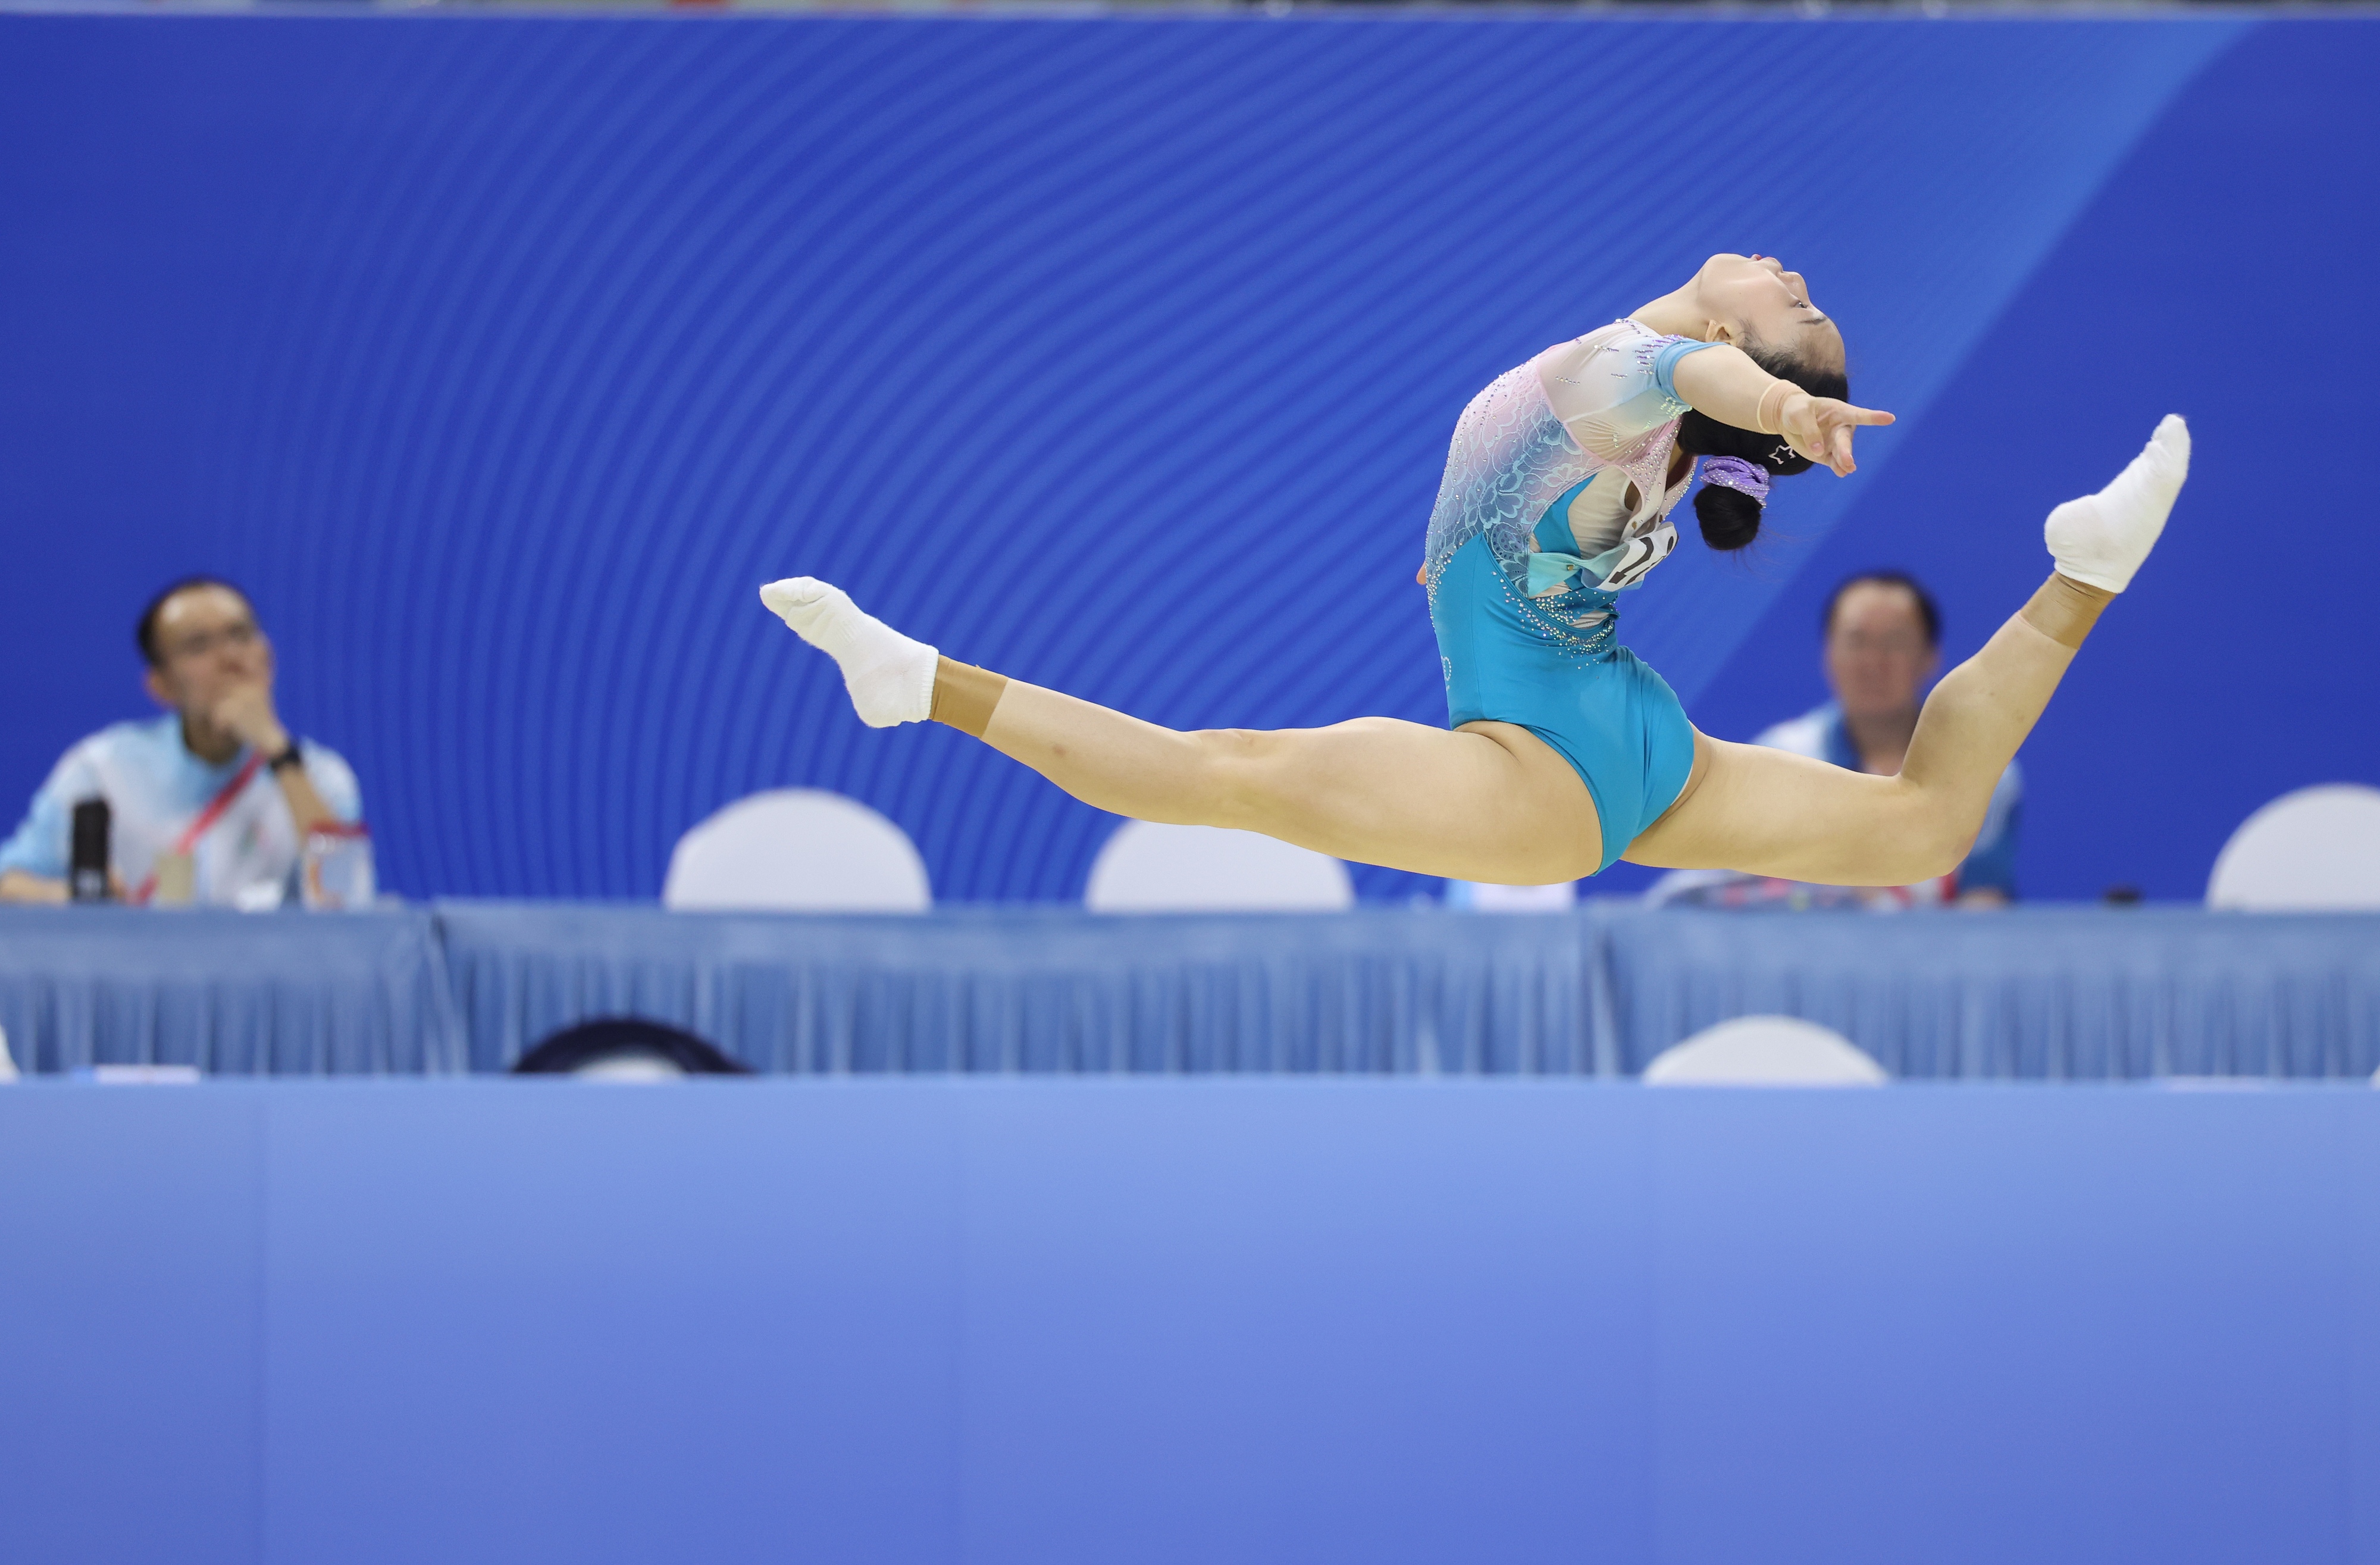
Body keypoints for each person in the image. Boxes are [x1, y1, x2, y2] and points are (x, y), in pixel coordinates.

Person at [757, 253, 2187, 895]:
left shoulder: (1630, 376)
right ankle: (2084, 579)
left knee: (1227, 770)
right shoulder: (1651, 391)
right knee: (1922, 825)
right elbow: (1704, 344)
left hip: (1545, 768)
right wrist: (1766, 400)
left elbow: (1697, 364)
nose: (1792, 272)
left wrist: (1778, 404)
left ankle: (926, 686)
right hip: (1631, 737)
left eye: (1799, 306)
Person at [1649, 571, 2019, 909]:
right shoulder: (1782, 756)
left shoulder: (1983, 772)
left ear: (1930, 658)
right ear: (1829, 655)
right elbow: (1699, 890)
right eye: (1857, 642)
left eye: (1895, 642)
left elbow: (1983, 907)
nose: (1874, 662)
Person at [0, 578, 362, 907]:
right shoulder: (103, 770)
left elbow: (347, 902)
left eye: (241, 635)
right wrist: (69, 896)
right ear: (161, 686)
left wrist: (279, 752)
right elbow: (7, 882)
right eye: (198, 645)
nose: (230, 659)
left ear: (268, 655)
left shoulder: (321, 777)